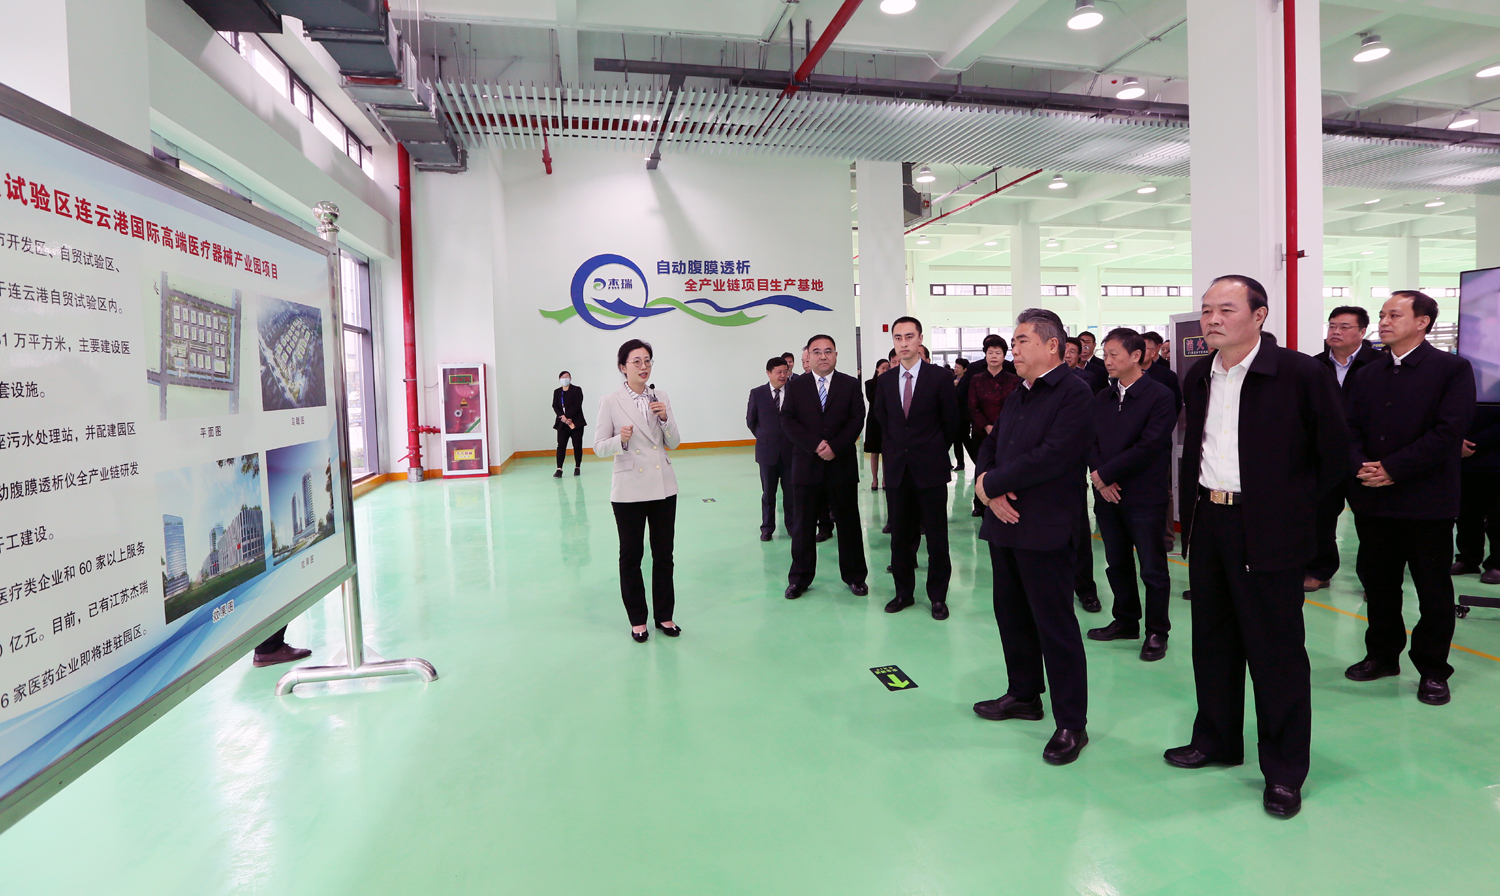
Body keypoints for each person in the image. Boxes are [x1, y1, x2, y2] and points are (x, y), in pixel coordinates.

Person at [1167, 274, 1348, 820]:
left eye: (1226, 309)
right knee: (1212, 642)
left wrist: (1303, 530)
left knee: (1276, 654)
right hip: (1210, 521)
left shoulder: (1299, 374)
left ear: (1259, 315)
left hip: (1270, 529)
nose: (1212, 319)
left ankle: (1285, 771)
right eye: (1207, 310)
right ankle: (1217, 739)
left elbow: (1334, 460)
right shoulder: (1199, 375)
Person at [972, 308, 1095, 765]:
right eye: (1013, 341)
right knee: (1011, 616)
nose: (1014, 349)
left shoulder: (1074, 393)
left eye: (1022, 341)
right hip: (1004, 524)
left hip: (1044, 528)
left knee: (1055, 627)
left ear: (1052, 345)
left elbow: (1054, 455)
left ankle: (1071, 723)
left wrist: (992, 484)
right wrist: (986, 485)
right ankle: (1023, 694)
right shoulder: (1018, 394)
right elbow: (990, 444)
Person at [1344, 290, 1475, 706]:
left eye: (1394, 315)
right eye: (1382, 315)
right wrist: (1362, 465)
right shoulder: (1367, 373)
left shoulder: (1451, 369)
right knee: (1379, 584)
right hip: (1373, 500)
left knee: (1432, 590)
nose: (1384, 322)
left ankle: (1433, 669)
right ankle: (1383, 655)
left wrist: (1393, 468)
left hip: (1426, 500)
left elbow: (1448, 431)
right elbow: (1348, 428)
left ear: (1422, 322)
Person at [1084, 329, 1177, 660]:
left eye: (1113, 354)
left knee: (1152, 567)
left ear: (1136, 356)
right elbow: (1090, 439)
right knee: (1117, 563)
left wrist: (1106, 474)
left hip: (1144, 496)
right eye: (1105, 354)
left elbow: (1149, 446)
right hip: (1107, 496)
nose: (1107, 361)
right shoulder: (1102, 397)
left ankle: (1157, 631)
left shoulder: (1160, 396)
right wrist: (1100, 478)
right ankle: (1125, 620)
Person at [592, 339, 682, 642]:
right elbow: (599, 447)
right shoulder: (610, 401)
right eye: (637, 362)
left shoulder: (661, 396)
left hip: (663, 487)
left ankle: (665, 616)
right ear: (623, 367)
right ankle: (637, 620)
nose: (644, 367)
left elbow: (674, 443)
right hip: (629, 490)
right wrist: (621, 439)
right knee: (631, 556)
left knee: (664, 554)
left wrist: (665, 418)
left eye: (648, 361)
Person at [872, 316, 962, 620]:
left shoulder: (939, 377)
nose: (904, 343)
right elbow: (883, 420)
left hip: (930, 468)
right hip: (898, 469)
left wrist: (933, 449)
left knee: (936, 537)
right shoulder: (885, 381)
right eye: (898, 338)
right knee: (900, 536)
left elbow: (951, 421)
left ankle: (937, 596)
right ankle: (903, 593)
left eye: (909, 337)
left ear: (920, 339)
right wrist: (897, 450)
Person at [781, 335, 868, 600]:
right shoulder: (796, 386)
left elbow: (857, 418)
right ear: (808, 356)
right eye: (817, 352)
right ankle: (799, 578)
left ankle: (855, 576)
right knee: (803, 526)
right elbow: (788, 420)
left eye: (828, 351)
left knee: (848, 523)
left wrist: (835, 447)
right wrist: (815, 445)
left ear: (836, 355)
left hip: (841, 465)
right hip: (806, 465)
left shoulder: (850, 384)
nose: (823, 356)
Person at [1306, 306, 1377, 591]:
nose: (1335, 331)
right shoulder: (1312, 366)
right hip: (1323, 456)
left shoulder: (1378, 364)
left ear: (1362, 332)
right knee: (1319, 517)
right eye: (1332, 325)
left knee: (1370, 523)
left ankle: (1374, 581)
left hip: (1366, 456)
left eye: (1344, 327)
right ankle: (1319, 570)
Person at [968, 334, 1022, 517]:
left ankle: (1004, 499)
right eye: (990, 352)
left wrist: (1000, 428)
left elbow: (1015, 407)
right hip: (982, 433)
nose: (994, 356)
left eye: (998, 353)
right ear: (985, 355)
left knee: (1004, 467)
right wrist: (986, 426)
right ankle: (979, 503)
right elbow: (973, 406)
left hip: (1007, 433)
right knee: (981, 467)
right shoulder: (976, 379)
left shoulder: (1013, 379)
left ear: (1004, 356)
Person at [747, 357, 795, 542]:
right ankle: (767, 528)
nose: (783, 375)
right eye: (779, 372)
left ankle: (792, 526)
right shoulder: (757, 393)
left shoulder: (794, 392)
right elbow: (751, 421)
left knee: (790, 494)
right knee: (768, 494)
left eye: (785, 371)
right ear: (769, 373)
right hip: (767, 453)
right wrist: (764, 437)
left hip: (791, 452)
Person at [1454, 405, 1500, 583]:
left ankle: (1497, 563)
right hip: (1464, 461)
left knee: (1497, 516)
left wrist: (1473, 442)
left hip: (1494, 459)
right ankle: (1468, 558)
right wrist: (1455, 441)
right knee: (1466, 514)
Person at [553, 371, 587, 478]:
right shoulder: (557, 392)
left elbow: (577, 405)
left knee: (577, 445)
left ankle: (577, 467)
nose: (565, 379)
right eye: (562, 377)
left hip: (576, 423)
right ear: (559, 379)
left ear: (570, 378)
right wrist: (563, 417)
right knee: (561, 446)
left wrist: (567, 416)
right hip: (562, 424)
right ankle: (559, 469)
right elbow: (555, 406)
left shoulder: (577, 390)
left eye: (566, 376)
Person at [1140, 332, 1183, 413]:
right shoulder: (1125, 375)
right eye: (1136, 348)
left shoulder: (1168, 375)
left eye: (1143, 348)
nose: (1139, 352)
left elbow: (1175, 404)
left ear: (1153, 352)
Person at [865, 358, 891, 490]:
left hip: (886, 420)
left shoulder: (891, 383)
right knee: (874, 452)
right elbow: (872, 398)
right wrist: (881, 381)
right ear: (877, 369)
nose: (885, 370)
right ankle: (874, 480)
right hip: (873, 420)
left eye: (888, 368)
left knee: (886, 452)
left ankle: (885, 480)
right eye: (883, 368)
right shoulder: (870, 383)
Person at [952, 358, 972, 471]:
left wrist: (955, 387)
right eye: (955, 367)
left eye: (958, 367)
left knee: (966, 439)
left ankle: (977, 460)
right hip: (955, 415)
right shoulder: (952, 379)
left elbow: (963, 396)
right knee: (956, 440)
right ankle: (960, 463)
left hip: (964, 416)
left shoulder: (967, 381)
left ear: (965, 369)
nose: (956, 369)